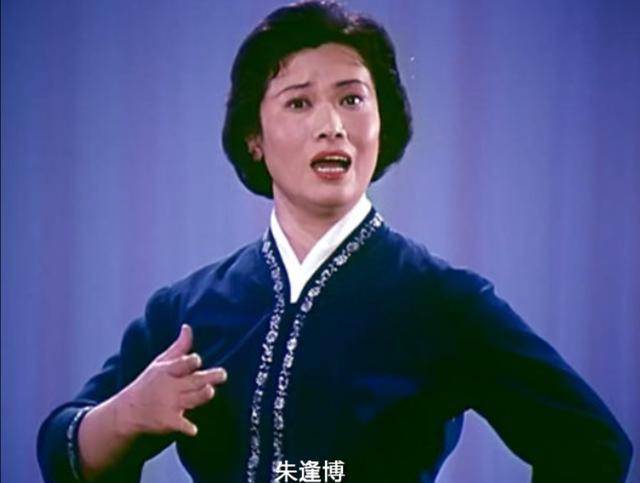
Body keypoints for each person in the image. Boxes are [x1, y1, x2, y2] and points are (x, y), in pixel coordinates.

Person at [37, 1, 633, 482]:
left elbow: (592, 445)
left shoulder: (442, 302)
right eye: (299, 102)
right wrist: (127, 416)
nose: (333, 125)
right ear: (253, 137)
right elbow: (61, 448)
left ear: (382, 120)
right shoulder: (189, 310)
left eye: (352, 99)